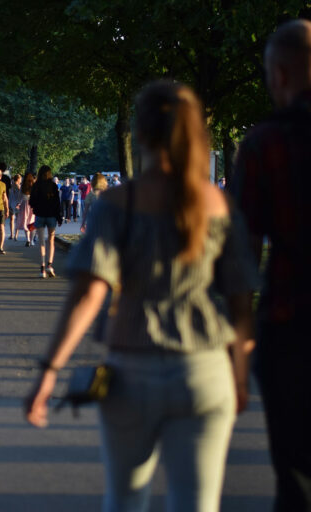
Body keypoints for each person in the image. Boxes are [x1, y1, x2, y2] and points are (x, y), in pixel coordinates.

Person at [25, 81, 257, 512]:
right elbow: (241, 302)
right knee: (197, 502)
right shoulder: (219, 204)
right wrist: (240, 374)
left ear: (140, 133)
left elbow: (89, 294)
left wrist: (50, 369)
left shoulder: (117, 203)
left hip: (132, 367)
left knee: (126, 498)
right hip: (205, 370)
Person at [232, 19, 311, 511]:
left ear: (278, 75)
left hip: (292, 321)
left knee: (296, 471)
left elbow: (242, 250)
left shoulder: (265, 144)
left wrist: (239, 341)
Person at [29, 166, 62, 278]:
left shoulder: (36, 186)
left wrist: (36, 207)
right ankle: (49, 264)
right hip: (51, 215)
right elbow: (57, 203)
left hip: (40, 215)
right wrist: (59, 217)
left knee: (42, 241)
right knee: (51, 240)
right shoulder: (53, 186)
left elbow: (31, 202)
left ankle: (42, 267)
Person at [17, 173, 36, 247]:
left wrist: (18, 203)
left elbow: (20, 197)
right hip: (33, 205)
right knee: (32, 223)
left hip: (24, 205)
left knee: (26, 222)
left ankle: (27, 239)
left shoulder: (23, 186)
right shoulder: (34, 186)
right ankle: (31, 241)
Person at [8, 174, 24, 241]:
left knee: (11, 220)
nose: (21, 180)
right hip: (17, 204)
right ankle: (16, 235)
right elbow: (21, 196)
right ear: (18, 179)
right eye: (20, 179)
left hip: (11, 203)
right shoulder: (19, 187)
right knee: (17, 220)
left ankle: (12, 234)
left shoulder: (11, 186)